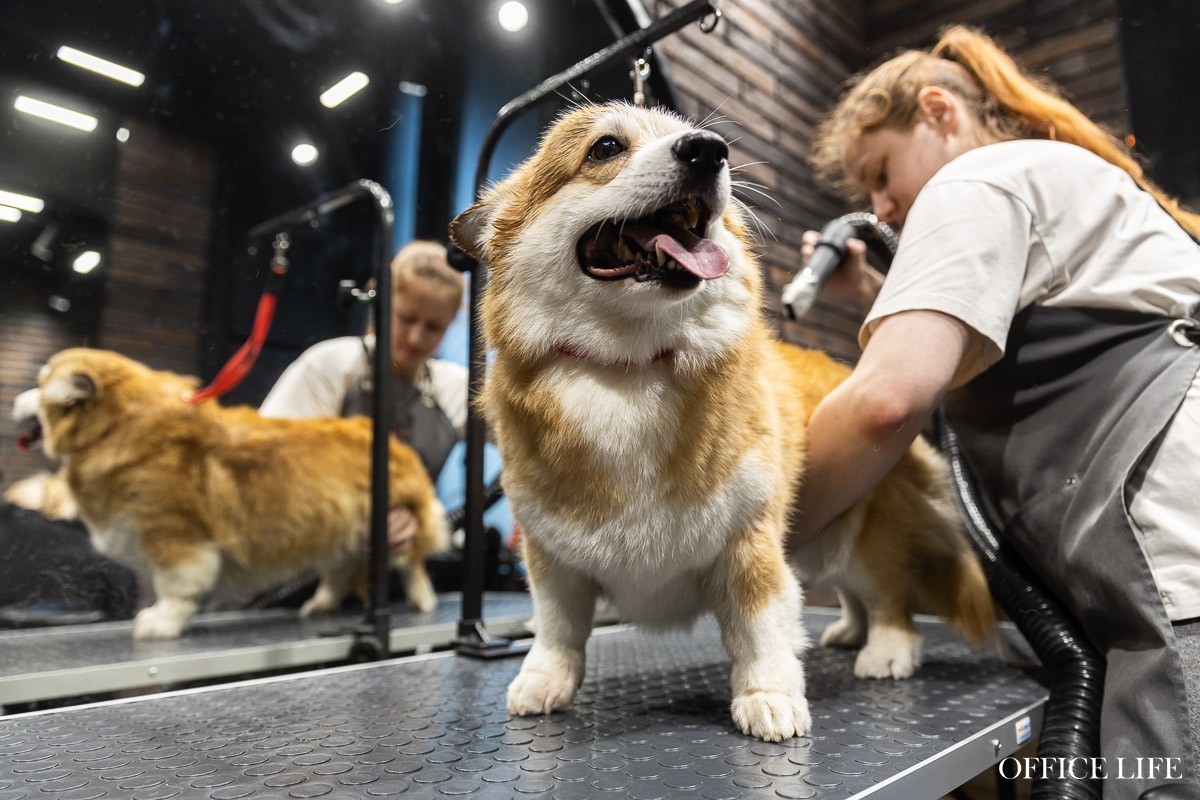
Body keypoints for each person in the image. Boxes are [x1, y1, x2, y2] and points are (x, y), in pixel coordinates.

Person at [791, 25, 1200, 793]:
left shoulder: (974, 180)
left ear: (939, 111)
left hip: (1179, 570)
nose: (880, 207)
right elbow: (998, 334)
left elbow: (887, 401)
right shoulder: (1049, 174)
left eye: (881, 173)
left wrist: (740, 540)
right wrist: (875, 292)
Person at [260, 239, 467, 557]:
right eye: (407, 318)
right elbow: (268, 465)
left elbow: (534, 446)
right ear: (379, 304)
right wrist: (346, 524)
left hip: (401, 565)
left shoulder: (454, 388)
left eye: (433, 327)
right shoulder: (330, 368)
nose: (416, 338)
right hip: (307, 559)